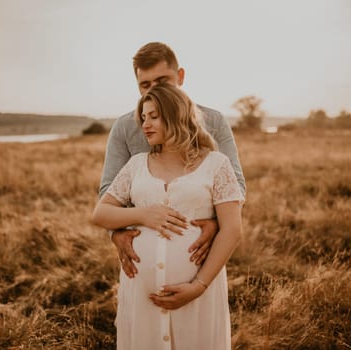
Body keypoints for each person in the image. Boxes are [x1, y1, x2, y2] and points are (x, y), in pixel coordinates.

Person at [92, 83, 244, 349]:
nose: (145, 124)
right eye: (143, 118)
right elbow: (101, 213)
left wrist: (198, 286)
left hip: (198, 296)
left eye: (153, 116)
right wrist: (144, 215)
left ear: (176, 115)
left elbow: (232, 230)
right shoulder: (136, 164)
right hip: (141, 295)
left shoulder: (216, 164)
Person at [99, 42, 245, 279]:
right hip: (142, 264)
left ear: (180, 76)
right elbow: (108, 190)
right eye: (145, 85)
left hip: (199, 259)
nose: (153, 90)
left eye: (162, 81)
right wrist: (115, 234)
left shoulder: (214, 120)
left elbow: (234, 184)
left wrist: (218, 223)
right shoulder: (124, 128)